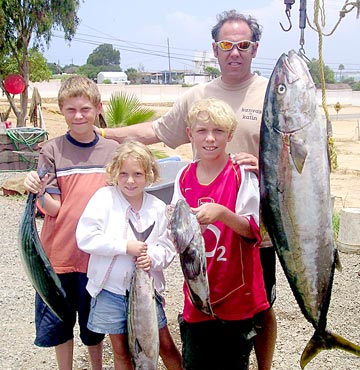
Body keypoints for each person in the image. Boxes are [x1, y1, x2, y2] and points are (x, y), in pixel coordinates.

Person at [96, 10, 277, 370]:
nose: (235, 52)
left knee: (261, 307)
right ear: (215, 49)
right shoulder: (198, 96)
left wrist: (267, 167)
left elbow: (296, 154)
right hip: (204, 235)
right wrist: (100, 136)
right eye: (227, 45)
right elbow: (155, 132)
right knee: (207, 302)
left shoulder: (272, 93)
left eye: (243, 45)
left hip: (260, 227)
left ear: (255, 49)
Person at [23, 75, 120, 370]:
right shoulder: (51, 150)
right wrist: (37, 191)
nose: (79, 116)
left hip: (97, 259)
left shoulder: (112, 150)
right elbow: (50, 208)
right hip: (59, 258)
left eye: (85, 109)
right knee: (60, 327)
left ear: (98, 108)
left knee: (94, 330)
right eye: (71, 110)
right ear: (61, 111)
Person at [171, 97, 269, 370]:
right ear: (190, 134)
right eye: (202, 131)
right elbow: (176, 232)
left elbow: (252, 232)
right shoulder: (183, 176)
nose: (210, 139)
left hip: (236, 294)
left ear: (230, 135)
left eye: (218, 131)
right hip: (197, 295)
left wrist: (222, 214)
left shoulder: (241, 174)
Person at [75, 141, 182, 370]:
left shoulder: (157, 207)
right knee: (121, 351)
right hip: (110, 291)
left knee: (165, 347)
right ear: (114, 173)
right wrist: (125, 246)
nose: (130, 180)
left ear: (149, 175)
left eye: (137, 174)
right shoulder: (104, 198)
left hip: (147, 293)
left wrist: (152, 256)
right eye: (123, 174)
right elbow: (85, 237)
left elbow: (168, 246)